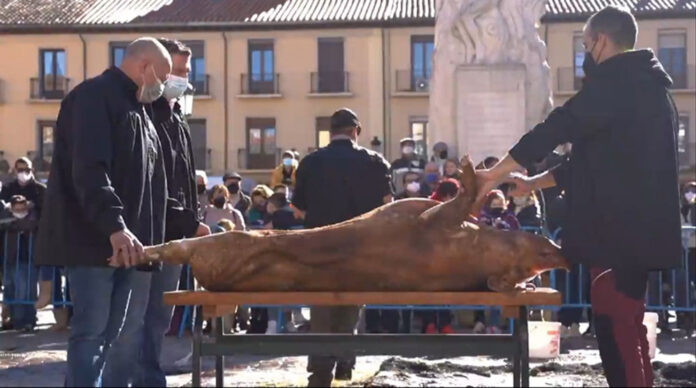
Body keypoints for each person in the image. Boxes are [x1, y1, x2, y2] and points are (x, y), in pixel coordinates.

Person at [476, 6, 682, 386]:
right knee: (630, 330)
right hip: (635, 238)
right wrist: (533, 183)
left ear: (600, 42)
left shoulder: (617, 84)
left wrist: (495, 172)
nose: (585, 56)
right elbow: (592, 162)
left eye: (585, 46)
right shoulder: (649, 89)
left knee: (616, 332)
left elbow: (558, 126)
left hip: (615, 239)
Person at [35, 37, 172, 387]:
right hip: (95, 243)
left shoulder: (140, 109)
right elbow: (90, 170)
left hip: (132, 248)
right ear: (145, 67)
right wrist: (115, 226)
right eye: (164, 75)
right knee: (91, 336)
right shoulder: (93, 98)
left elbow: (149, 184)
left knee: (117, 338)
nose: (165, 85)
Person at [128, 38, 212, 388]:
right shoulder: (146, 115)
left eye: (186, 72)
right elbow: (152, 183)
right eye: (176, 71)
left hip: (175, 231)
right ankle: (141, 378)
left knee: (159, 315)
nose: (182, 78)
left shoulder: (176, 114)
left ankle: (148, 375)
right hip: (152, 232)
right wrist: (190, 223)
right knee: (138, 316)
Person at [292, 107, 392, 386]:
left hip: (320, 247)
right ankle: (345, 362)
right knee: (352, 303)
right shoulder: (376, 162)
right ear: (355, 131)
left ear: (331, 132)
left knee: (322, 309)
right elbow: (388, 207)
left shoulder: (310, 163)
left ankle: (320, 371)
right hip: (359, 247)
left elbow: (297, 210)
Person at [420, 179, 460, 334]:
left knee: (440, 293)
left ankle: (439, 324)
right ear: (447, 195)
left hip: (439, 256)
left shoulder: (430, 205)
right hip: (435, 256)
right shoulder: (434, 207)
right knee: (434, 293)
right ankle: (434, 324)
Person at [0, 195, 39, 332]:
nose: (20, 209)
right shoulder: (6, 217)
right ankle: (16, 320)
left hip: (28, 259)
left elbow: (31, 223)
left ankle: (27, 321)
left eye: (23, 206)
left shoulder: (33, 217)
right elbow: (4, 223)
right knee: (13, 291)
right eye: (17, 207)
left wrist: (14, 223)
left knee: (27, 292)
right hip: (10, 259)